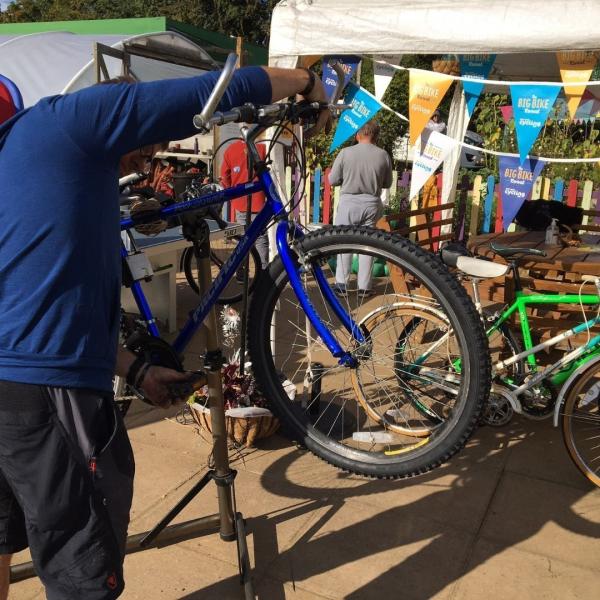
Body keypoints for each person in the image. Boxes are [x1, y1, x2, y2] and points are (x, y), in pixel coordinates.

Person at [0, 65, 328, 600]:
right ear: (122, 114)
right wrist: (306, 82)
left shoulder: (30, 154)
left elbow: (48, 304)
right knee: (82, 568)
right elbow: (210, 92)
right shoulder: (76, 118)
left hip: (16, 387)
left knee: (5, 539)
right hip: (43, 397)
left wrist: (136, 370)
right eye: (148, 146)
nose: (146, 162)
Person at [328, 120, 393, 297]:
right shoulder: (383, 155)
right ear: (375, 136)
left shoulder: (345, 153)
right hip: (371, 204)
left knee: (345, 243)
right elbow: (387, 183)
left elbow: (332, 180)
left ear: (358, 135)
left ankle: (342, 285)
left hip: (349, 203)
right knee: (367, 246)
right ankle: (364, 287)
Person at [220, 137, 269, 268]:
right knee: (260, 237)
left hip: (240, 202)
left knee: (243, 238)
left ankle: (241, 271)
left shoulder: (231, 149)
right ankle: (264, 271)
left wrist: (231, 192)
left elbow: (224, 175)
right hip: (259, 201)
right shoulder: (262, 148)